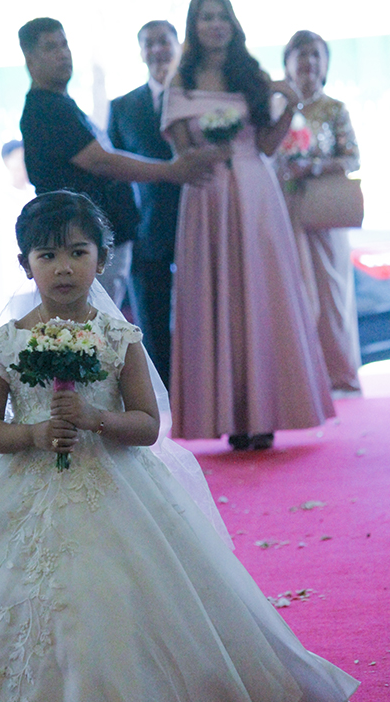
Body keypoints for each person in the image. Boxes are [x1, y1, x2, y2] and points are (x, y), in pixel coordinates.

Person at [0, 189, 361, 702]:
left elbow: (147, 424)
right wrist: (35, 433)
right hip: (23, 484)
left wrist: (94, 417)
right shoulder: (7, 342)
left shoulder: (119, 337)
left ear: (101, 258)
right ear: (25, 264)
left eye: (77, 252)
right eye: (46, 255)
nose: (63, 267)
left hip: (117, 481)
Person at [161, 0, 335, 449]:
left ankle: (267, 412)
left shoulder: (251, 75)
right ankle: (229, 415)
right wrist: (208, 152)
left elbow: (267, 145)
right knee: (212, 298)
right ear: (193, 26)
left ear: (232, 24)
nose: (215, 25)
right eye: (206, 17)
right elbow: (180, 154)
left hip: (256, 192)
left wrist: (287, 107)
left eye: (222, 16)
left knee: (262, 296)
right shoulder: (180, 80)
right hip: (205, 195)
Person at [19, 17, 214, 309]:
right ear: (30, 59)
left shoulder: (62, 104)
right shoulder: (46, 109)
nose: (63, 54)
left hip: (99, 239)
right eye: (51, 48)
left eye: (65, 44)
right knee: (97, 332)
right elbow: (102, 162)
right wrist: (171, 170)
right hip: (76, 242)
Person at [275, 30, 362, 393]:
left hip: (324, 212)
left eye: (315, 55)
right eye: (301, 54)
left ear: (324, 64)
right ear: (287, 63)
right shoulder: (275, 112)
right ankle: (299, 382)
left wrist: (310, 166)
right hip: (283, 209)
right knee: (289, 293)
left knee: (330, 295)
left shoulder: (334, 109)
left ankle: (339, 376)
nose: (308, 62)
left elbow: (353, 157)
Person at [108, 21, 181, 388]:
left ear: (178, 45)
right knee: (150, 317)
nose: (157, 50)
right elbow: (115, 173)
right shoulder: (122, 107)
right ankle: (164, 390)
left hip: (197, 218)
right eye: (149, 44)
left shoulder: (195, 96)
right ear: (140, 52)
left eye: (164, 42)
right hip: (146, 226)